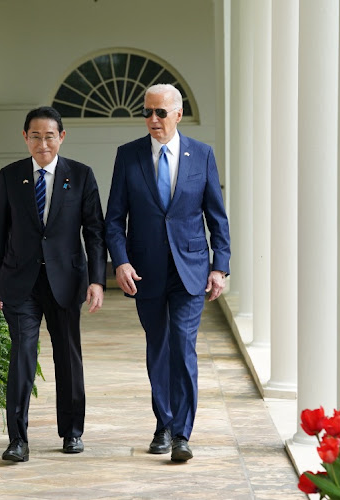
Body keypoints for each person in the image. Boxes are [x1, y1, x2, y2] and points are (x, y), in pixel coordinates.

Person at [104, 84, 231, 463]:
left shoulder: (202, 155)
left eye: (160, 113)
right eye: (147, 113)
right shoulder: (128, 157)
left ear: (178, 114)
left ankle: (181, 434)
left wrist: (220, 266)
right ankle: (163, 421)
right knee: (157, 346)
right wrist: (120, 261)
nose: (153, 120)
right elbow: (114, 220)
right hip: (144, 272)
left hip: (190, 269)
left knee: (182, 344)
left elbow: (217, 217)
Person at [0, 106, 107, 462]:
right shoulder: (10, 176)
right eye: (36, 136)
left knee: (68, 357)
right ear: (25, 137)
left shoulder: (81, 176)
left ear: (62, 137)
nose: (43, 144)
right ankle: (18, 440)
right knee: (22, 357)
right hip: (19, 282)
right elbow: (0, 231)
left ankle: (72, 432)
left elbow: (95, 232)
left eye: (50, 136)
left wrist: (98, 280)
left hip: (66, 281)